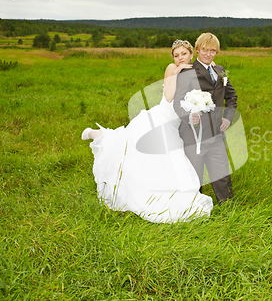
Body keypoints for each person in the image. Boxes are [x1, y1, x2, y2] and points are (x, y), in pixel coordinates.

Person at [81, 40, 213, 223]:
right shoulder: (171, 69)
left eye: (183, 54)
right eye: (176, 55)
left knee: (164, 159)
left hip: (175, 124)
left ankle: (102, 135)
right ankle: (100, 135)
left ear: (191, 54)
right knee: (138, 153)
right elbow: (168, 97)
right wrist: (175, 74)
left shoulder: (193, 71)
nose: (180, 58)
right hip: (160, 119)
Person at [173, 33, 237, 204]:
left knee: (222, 173)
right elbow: (177, 102)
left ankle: (228, 208)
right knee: (195, 175)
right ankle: (194, 209)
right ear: (198, 50)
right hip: (195, 136)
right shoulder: (188, 72)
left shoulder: (220, 71)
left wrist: (228, 118)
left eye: (213, 51)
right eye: (205, 50)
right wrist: (189, 117)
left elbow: (231, 96)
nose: (208, 54)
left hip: (216, 133)